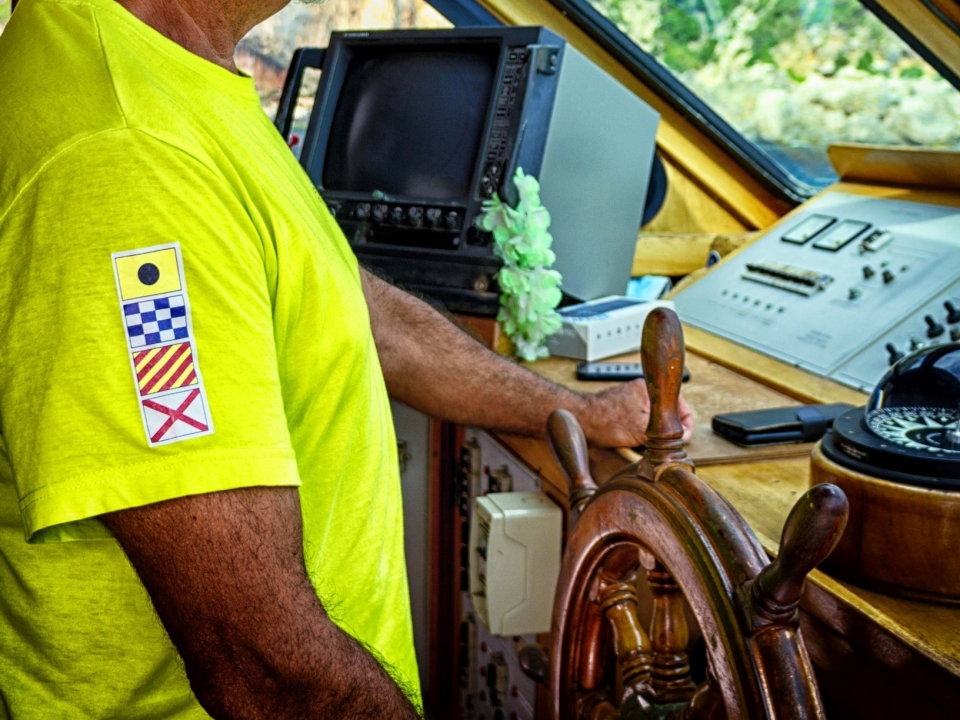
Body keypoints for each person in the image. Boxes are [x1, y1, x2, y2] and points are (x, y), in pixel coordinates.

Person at [0, 0, 694, 717]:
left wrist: (577, 411)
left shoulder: (167, 75)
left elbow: (367, 315)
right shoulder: (124, 158)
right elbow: (262, 664)